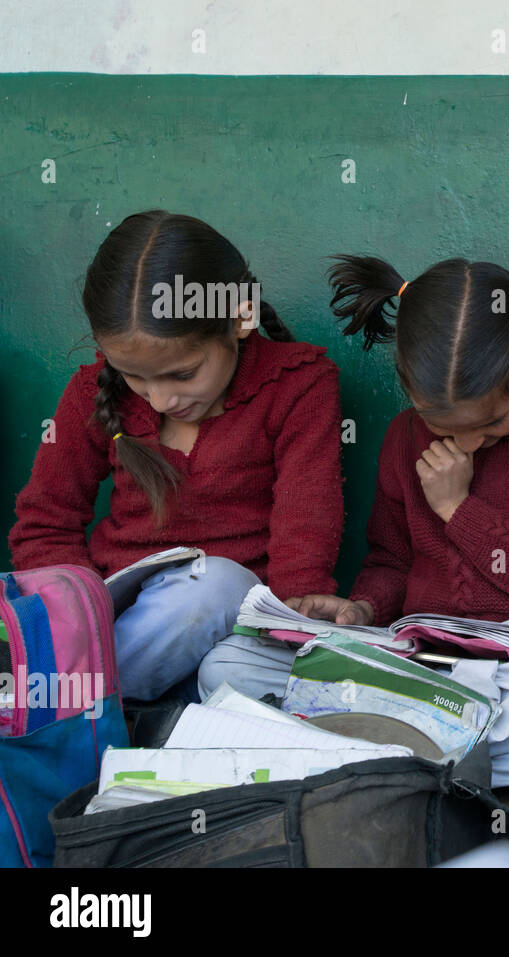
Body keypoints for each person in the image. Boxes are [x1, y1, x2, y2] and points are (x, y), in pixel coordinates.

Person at [200, 253, 509, 787]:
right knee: (228, 665)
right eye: (442, 425)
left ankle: (362, 755)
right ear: (408, 385)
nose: (465, 444)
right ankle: (423, 755)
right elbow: (392, 560)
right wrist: (361, 608)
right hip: (411, 665)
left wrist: (459, 510)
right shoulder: (403, 437)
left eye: (490, 425)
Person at [9, 210, 343, 703]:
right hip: (118, 626)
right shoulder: (91, 394)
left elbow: (305, 526)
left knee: (219, 590)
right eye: (135, 376)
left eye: (182, 375)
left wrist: (295, 615)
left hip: (238, 632)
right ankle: (81, 700)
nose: (160, 399)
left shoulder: (298, 386)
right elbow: (44, 524)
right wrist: (74, 616)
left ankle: (72, 705)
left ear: (239, 317)